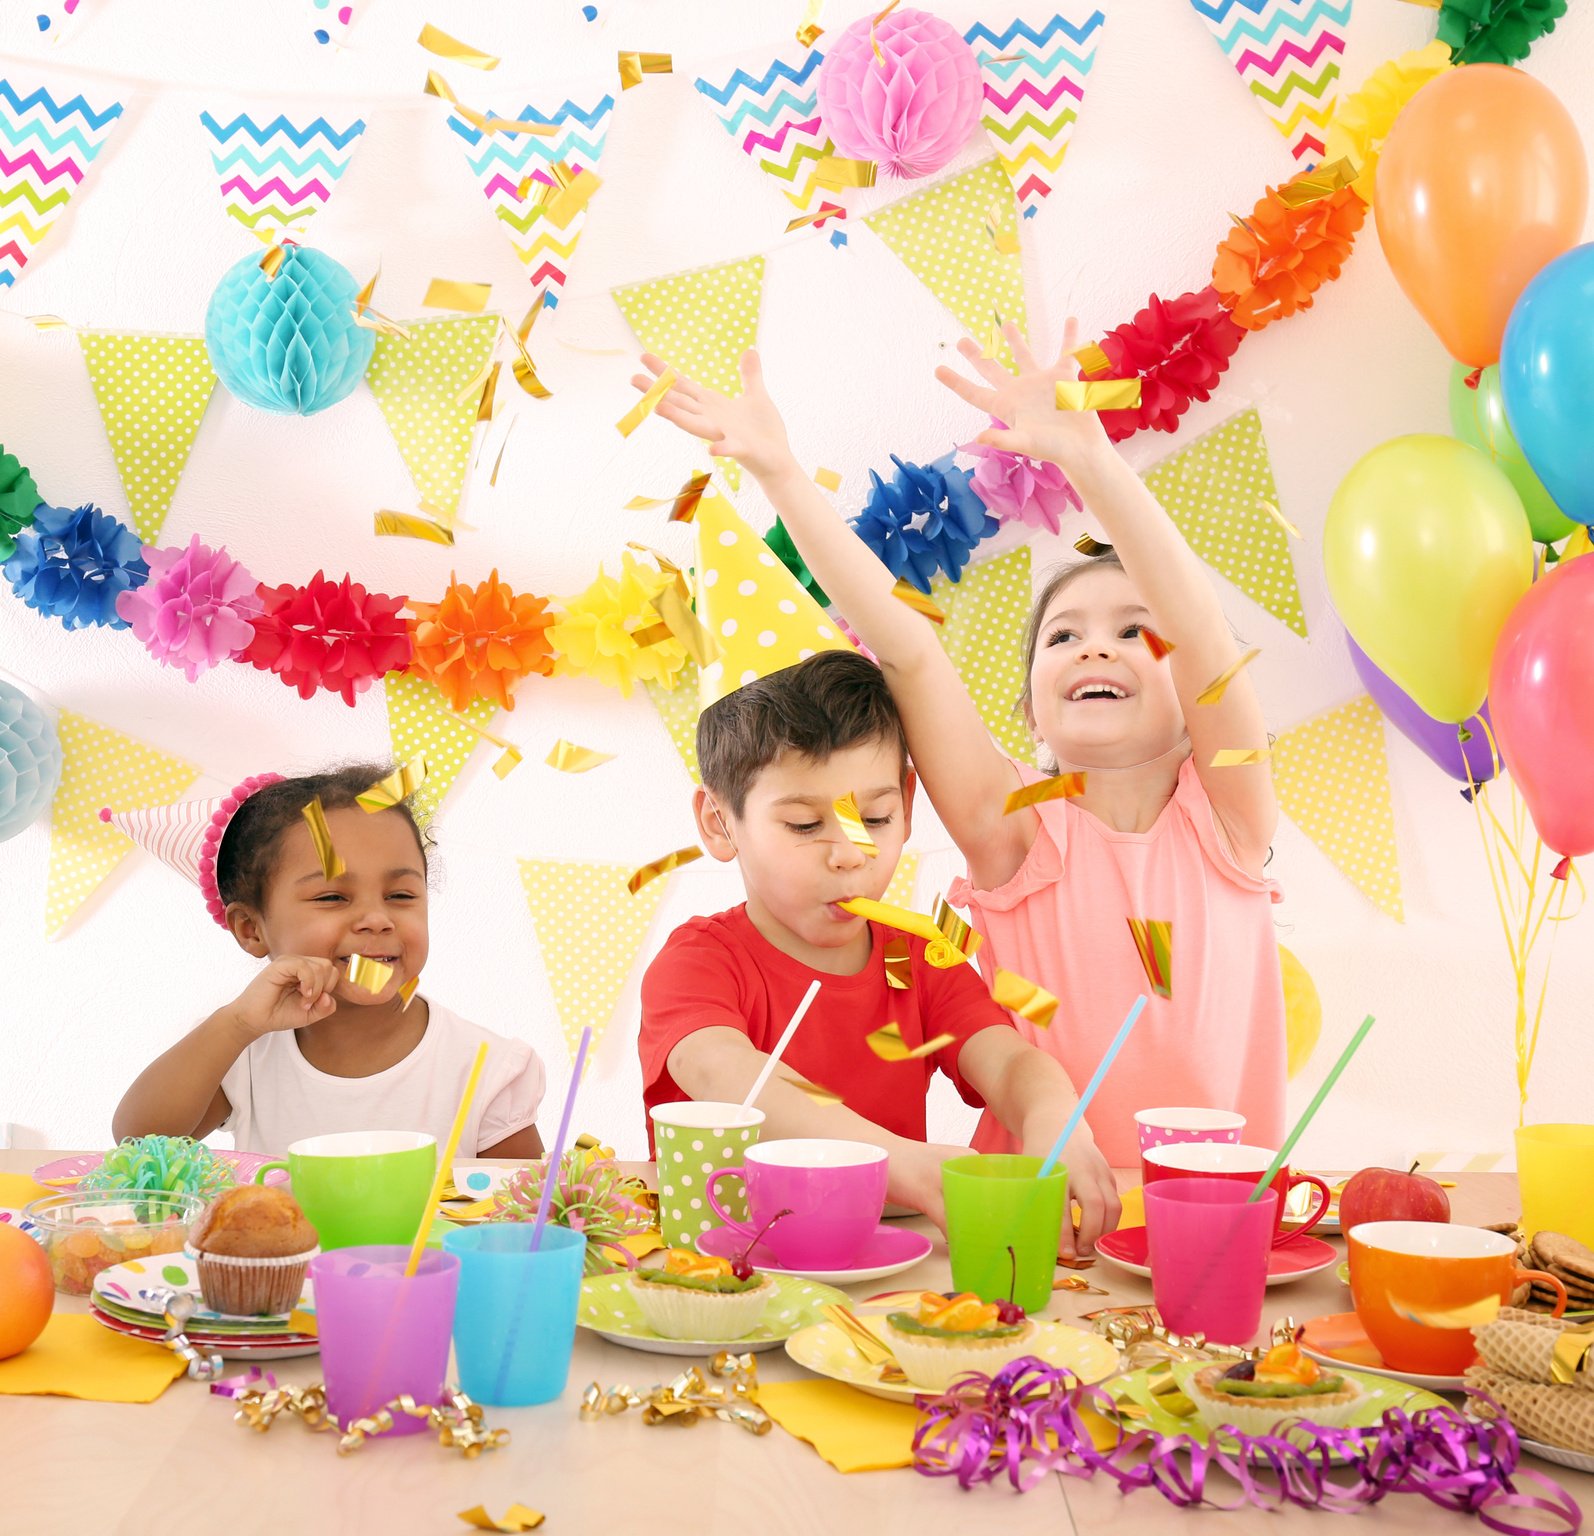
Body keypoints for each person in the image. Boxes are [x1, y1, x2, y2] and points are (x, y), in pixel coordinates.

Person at [631, 320, 1286, 1171]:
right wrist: (782, 474)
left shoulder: (1231, 819)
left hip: (1217, 1209)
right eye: (1063, 637)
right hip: (1037, 1217)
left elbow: (1200, 631)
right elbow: (906, 648)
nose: (1096, 647)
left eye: (1135, 630)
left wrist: (1091, 462)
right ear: (1031, 710)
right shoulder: (1010, 830)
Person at [639, 639, 1119, 1251]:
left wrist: (1056, 1121)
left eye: (874, 818)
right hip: (723, 1268)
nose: (849, 855)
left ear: (909, 804)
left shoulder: (918, 956)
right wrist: (912, 1169)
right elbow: (724, 1073)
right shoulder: (700, 961)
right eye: (805, 825)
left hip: (884, 1266)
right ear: (719, 821)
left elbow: (1012, 1061)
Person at [112, 765, 545, 1157]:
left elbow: (525, 1220)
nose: (377, 919)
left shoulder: (486, 1068)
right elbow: (138, 1141)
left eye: (400, 896)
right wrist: (238, 1023)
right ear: (250, 928)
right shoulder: (243, 1054)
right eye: (333, 897)